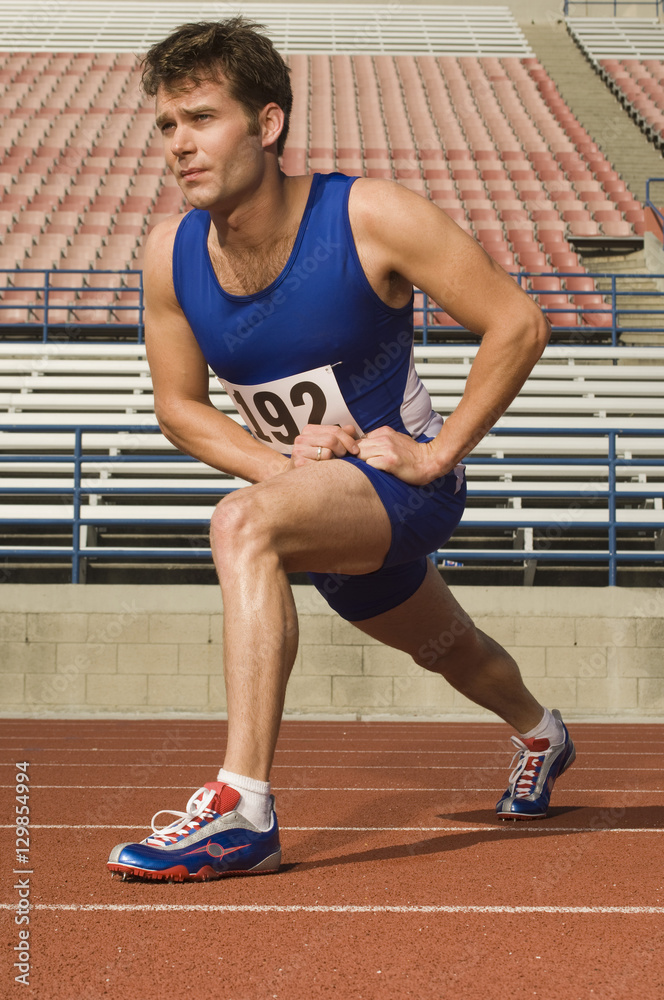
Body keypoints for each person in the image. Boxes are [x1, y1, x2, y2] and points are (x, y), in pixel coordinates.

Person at [107, 17, 575, 882]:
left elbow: (518, 322)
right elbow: (179, 406)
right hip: (317, 495)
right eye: (167, 125)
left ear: (268, 123)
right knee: (451, 650)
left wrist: (438, 456)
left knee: (241, 526)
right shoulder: (170, 253)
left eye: (203, 118)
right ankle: (543, 734)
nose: (179, 144)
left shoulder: (368, 214)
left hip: (407, 485)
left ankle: (242, 809)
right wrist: (288, 468)